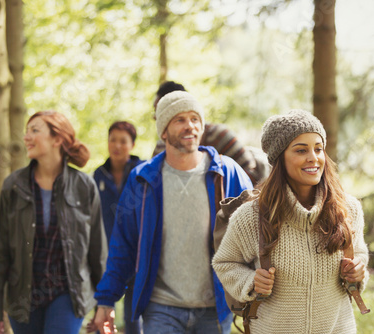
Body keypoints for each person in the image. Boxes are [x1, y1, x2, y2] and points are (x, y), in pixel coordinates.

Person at [87, 91, 253, 334]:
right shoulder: (143, 179)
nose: (190, 126)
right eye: (180, 120)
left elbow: (254, 231)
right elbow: (123, 245)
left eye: (195, 119)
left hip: (214, 307)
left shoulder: (226, 173)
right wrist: (106, 300)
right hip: (161, 308)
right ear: (163, 130)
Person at [212, 109, 370, 333]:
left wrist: (357, 271)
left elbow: (359, 253)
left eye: (318, 149)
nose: (313, 158)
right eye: (301, 150)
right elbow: (225, 263)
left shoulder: (348, 209)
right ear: (279, 158)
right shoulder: (251, 216)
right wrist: (250, 282)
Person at [0, 111, 108, 334]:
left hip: (68, 293)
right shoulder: (13, 186)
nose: (26, 137)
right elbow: (0, 252)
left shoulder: (84, 186)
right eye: (26, 131)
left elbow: (97, 252)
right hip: (22, 296)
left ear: (57, 139)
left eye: (35, 130)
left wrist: (105, 304)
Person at [151, 81, 270, 185]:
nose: (155, 117)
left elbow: (251, 172)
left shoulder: (219, 136)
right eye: (179, 120)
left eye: (158, 110)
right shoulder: (160, 149)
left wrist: (222, 196)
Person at [93, 121, 144, 334]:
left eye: (123, 141)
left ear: (132, 145)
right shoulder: (98, 175)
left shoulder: (143, 172)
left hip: (137, 253)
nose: (117, 145)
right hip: (105, 254)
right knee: (102, 313)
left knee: (133, 319)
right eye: (113, 139)